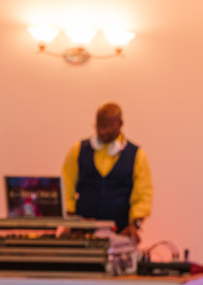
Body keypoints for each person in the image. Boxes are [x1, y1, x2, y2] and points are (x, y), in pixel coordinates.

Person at [62, 102, 152, 239]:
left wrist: (135, 224)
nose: (102, 131)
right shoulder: (78, 150)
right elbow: (66, 187)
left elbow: (143, 195)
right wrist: (70, 220)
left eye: (108, 126)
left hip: (120, 232)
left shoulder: (137, 155)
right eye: (99, 126)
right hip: (83, 233)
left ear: (120, 124)